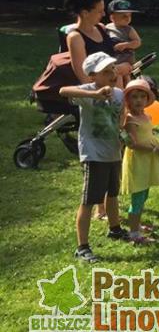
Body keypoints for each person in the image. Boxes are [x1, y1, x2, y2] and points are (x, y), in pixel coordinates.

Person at [60, 52, 128, 263]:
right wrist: (95, 94)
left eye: (113, 69)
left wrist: (124, 129)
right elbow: (63, 91)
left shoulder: (119, 94)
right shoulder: (88, 91)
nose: (112, 74)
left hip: (113, 151)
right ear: (92, 76)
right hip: (94, 154)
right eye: (105, 71)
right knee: (89, 200)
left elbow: (120, 117)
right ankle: (82, 247)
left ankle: (115, 229)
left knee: (112, 193)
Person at [121, 78, 159, 245]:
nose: (139, 100)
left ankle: (137, 224)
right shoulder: (130, 119)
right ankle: (134, 234)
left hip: (148, 159)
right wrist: (154, 150)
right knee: (138, 197)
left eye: (142, 97)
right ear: (128, 100)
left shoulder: (146, 116)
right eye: (134, 97)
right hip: (138, 161)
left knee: (144, 195)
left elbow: (149, 136)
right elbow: (132, 144)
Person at [63, 0, 129, 86]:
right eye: (99, 11)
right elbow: (85, 79)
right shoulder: (75, 38)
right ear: (85, 13)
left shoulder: (101, 28)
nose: (103, 14)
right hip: (98, 93)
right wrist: (117, 70)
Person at [105, 0, 142, 72]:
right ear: (112, 17)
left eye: (129, 15)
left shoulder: (128, 29)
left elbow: (138, 42)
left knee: (126, 75)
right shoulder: (107, 28)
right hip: (113, 60)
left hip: (127, 61)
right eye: (124, 16)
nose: (128, 18)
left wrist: (126, 45)